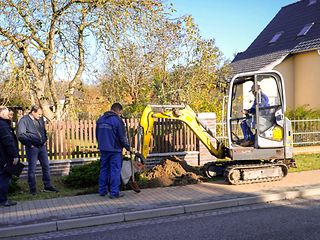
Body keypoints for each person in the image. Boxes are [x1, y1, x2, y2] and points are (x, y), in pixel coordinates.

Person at [17, 105, 58, 195]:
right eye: (39, 114)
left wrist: (45, 139)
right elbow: (21, 135)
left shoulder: (40, 119)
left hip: (41, 147)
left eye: (41, 114)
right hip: (32, 148)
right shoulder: (24, 120)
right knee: (32, 169)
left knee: (46, 166)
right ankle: (33, 189)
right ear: (33, 112)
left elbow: (43, 130)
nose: (40, 116)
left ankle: (48, 186)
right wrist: (30, 145)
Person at [96, 103, 131, 199]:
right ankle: (114, 193)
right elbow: (122, 137)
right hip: (115, 150)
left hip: (103, 149)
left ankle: (102, 191)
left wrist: (102, 144)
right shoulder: (117, 121)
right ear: (118, 110)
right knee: (115, 171)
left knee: (103, 170)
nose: (120, 114)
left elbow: (97, 135)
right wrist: (128, 147)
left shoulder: (100, 119)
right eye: (120, 112)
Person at [0, 106, 19, 206]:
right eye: (8, 114)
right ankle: (3, 200)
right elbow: (8, 141)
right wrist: (14, 155)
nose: (10, 116)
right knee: (4, 178)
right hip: (4, 157)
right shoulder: (3, 125)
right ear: (3, 114)